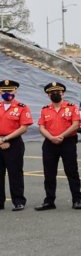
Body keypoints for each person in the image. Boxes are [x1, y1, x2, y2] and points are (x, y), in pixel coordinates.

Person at [34, 81, 81, 211]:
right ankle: (49, 201)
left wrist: (61, 136)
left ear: (63, 93)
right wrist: (51, 137)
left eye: (58, 92)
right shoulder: (45, 109)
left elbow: (76, 124)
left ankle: (76, 200)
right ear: (48, 95)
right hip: (50, 143)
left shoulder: (72, 107)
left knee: (71, 171)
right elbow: (41, 126)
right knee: (49, 173)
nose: (55, 94)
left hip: (68, 142)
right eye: (52, 93)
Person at [0, 79, 32, 211]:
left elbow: (24, 127)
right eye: (4, 90)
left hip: (14, 143)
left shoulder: (22, 107)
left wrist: (6, 138)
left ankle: (18, 201)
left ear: (16, 91)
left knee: (15, 173)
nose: (7, 93)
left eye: (10, 90)